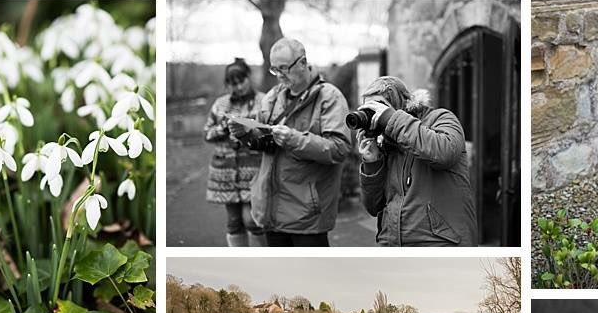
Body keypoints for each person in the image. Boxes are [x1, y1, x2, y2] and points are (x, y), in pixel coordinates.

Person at [229, 39, 350, 247]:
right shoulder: (271, 98)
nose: (279, 75)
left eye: (284, 68)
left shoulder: (330, 97)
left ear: (302, 63)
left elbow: (339, 148)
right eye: (274, 69)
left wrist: (294, 139)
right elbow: (265, 141)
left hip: (307, 215)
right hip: (271, 210)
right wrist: (245, 134)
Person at [354, 75, 477, 246]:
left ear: (401, 104)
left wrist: (392, 119)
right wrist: (372, 163)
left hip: (439, 243)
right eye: (369, 109)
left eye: (378, 108)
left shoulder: (440, 118)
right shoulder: (386, 143)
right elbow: (373, 208)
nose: (375, 115)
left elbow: (445, 152)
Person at [204, 57, 266, 247]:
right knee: (233, 222)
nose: (238, 87)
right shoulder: (220, 105)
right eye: (232, 83)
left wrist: (249, 131)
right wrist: (223, 129)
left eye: (241, 81)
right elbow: (207, 133)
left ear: (249, 77)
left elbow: (269, 129)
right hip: (226, 173)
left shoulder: (263, 101)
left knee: (251, 220)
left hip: (253, 169)